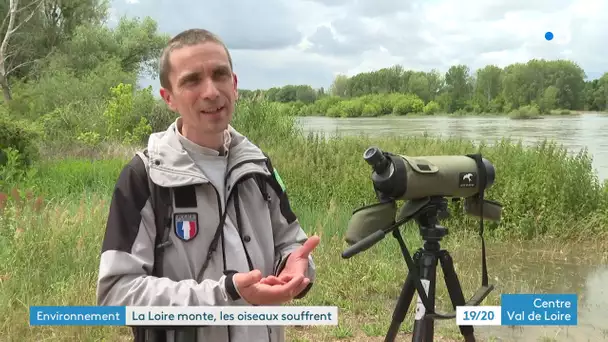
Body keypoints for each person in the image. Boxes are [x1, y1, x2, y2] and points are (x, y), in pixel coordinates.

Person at [96, 28, 320, 342]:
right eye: (191, 80)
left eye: (220, 74)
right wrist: (225, 293)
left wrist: (298, 267)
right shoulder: (144, 176)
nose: (211, 91)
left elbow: (291, 244)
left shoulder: (258, 166)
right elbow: (116, 294)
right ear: (168, 98)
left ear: (235, 84)